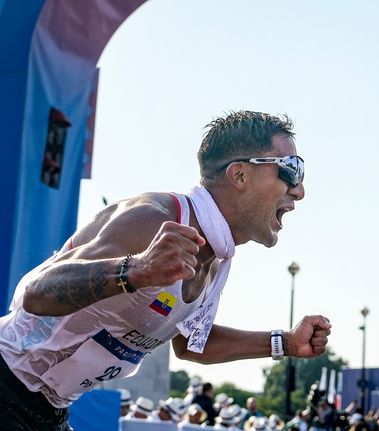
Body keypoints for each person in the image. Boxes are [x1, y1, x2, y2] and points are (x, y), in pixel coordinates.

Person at [0, 111, 332, 430]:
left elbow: (190, 345)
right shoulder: (154, 218)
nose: (299, 191)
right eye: (290, 170)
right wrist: (134, 270)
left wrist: (283, 343)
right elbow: (37, 294)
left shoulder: (218, 256)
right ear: (240, 175)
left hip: (49, 407)